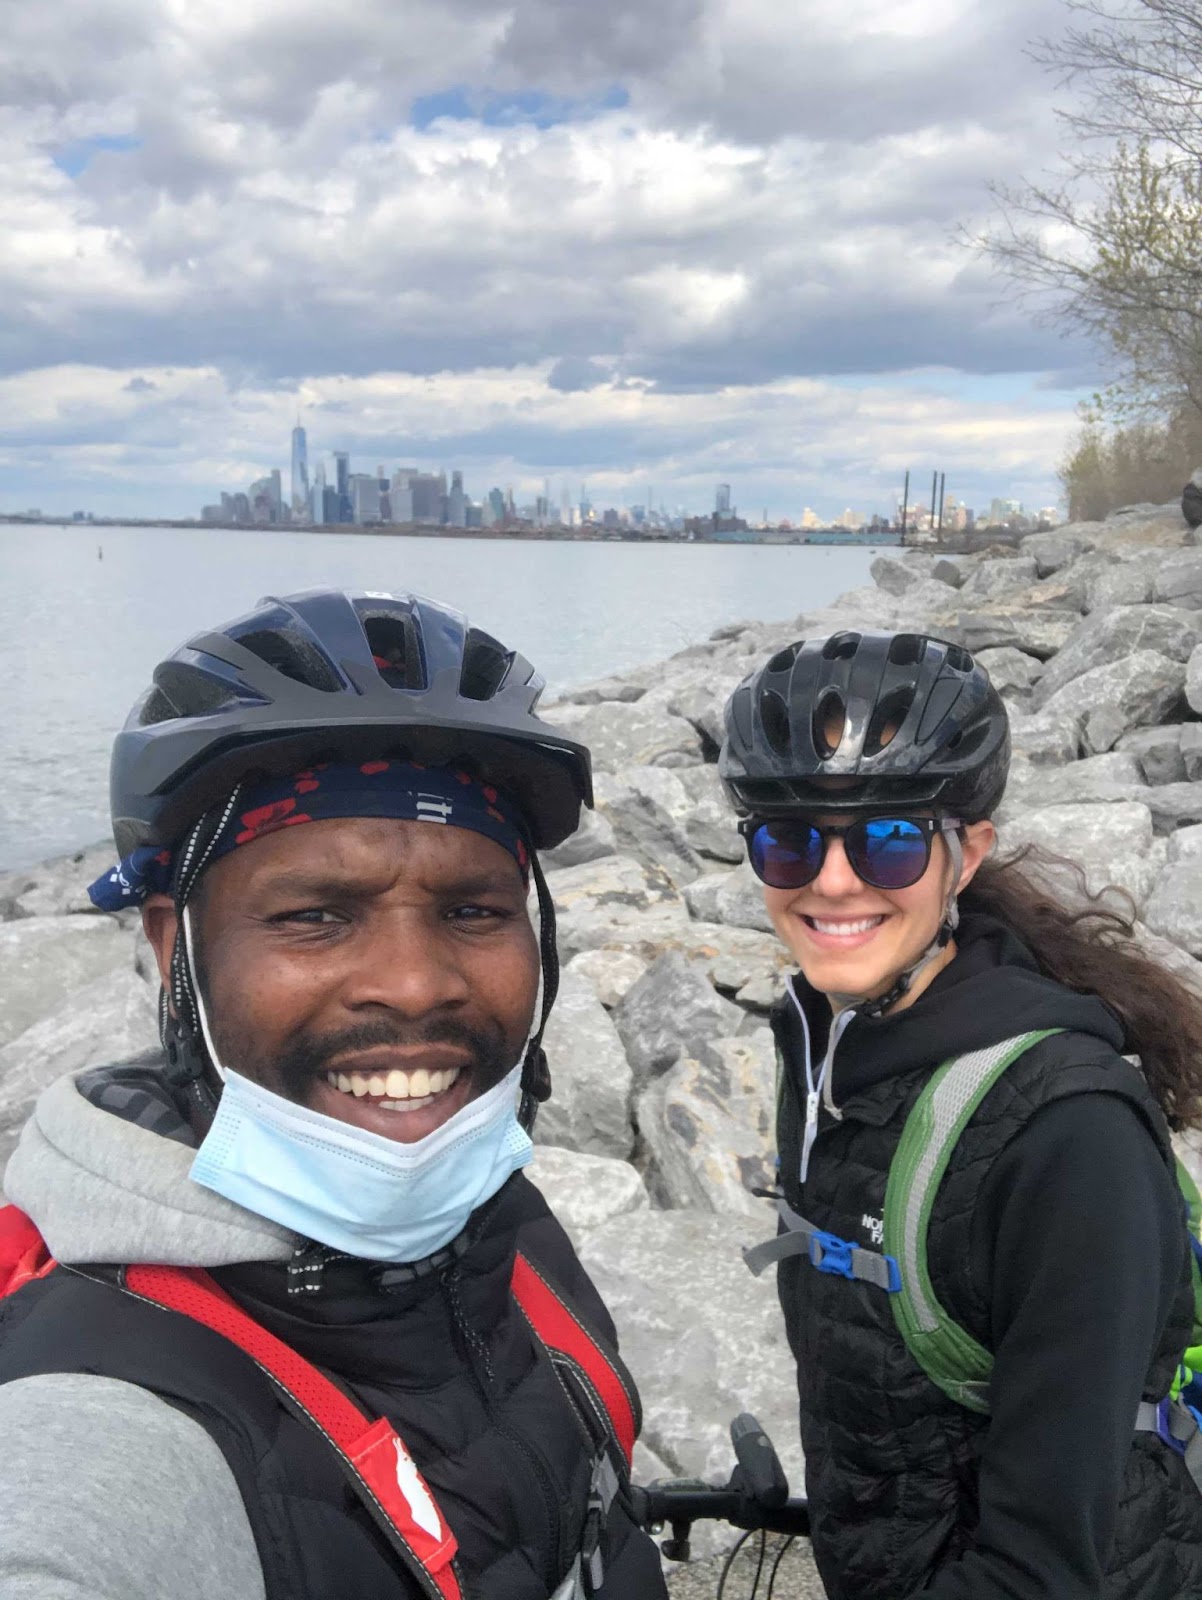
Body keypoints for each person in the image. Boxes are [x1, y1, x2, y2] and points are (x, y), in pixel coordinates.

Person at [0, 588, 669, 1600]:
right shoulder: (107, 1422)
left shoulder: (508, 1227)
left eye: (472, 909)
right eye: (316, 914)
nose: (414, 983)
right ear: (175, 950)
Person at [720, 628, 1202, 1600]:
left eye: (890, 840)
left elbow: (1040, 1569)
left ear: (965, 852)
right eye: (789, 838)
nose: (833, 880)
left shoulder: (1068, 1136)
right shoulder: (823, 1040)